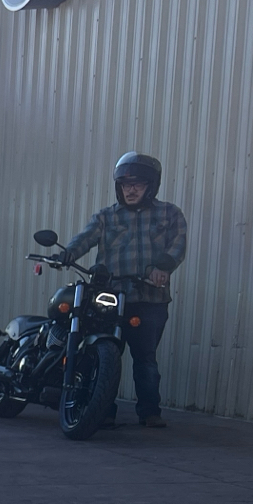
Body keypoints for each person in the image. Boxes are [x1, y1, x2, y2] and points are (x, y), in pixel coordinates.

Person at [62, 152, 187, 428]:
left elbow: (177, 244)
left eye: (138, 184)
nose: (130, 189)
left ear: (150, 186)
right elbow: (85, 237)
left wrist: (163, 267)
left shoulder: (169, 213)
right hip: (108, 296)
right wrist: (69, 253)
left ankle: (150, 412)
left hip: (149, 297)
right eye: (125, 184)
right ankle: (100, 408)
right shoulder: (106, 216)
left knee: (145, 359)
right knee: (100, 352)